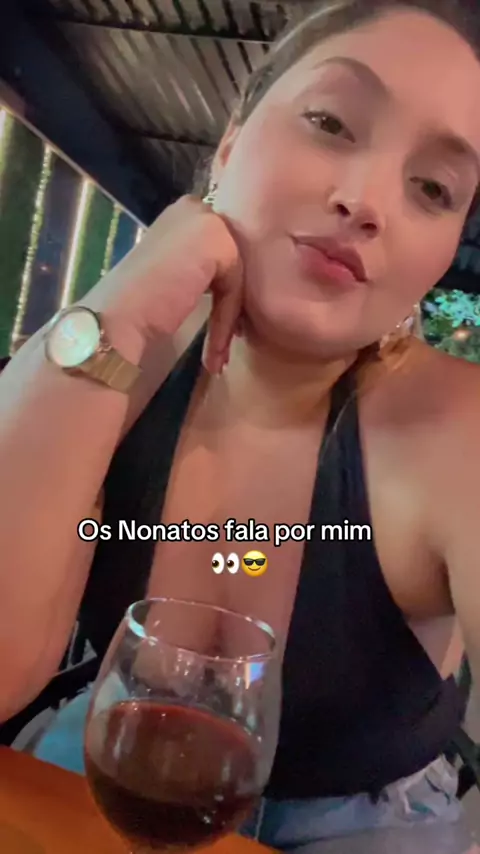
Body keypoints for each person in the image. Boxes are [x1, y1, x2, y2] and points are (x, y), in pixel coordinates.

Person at [1, 0, 480, 849]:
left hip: (360, 815)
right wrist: (126, 307)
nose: (365, 201)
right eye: (330, 122)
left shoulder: (456, 431)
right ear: (229, 142)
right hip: (114, 752)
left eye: (433, 189)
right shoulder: (117, 358)